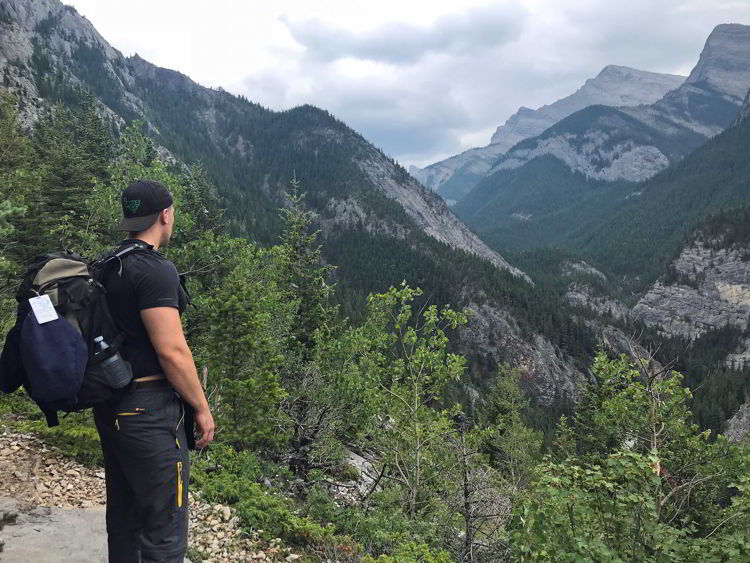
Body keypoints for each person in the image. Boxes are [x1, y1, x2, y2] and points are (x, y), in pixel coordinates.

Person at [93, 179, 215, 563]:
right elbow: (173, 351)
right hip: (149, 412)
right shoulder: (154, 271)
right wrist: (201, 406)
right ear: (165, 215)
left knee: (125, 518)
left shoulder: (107, 267)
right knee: (164, 527)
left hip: (113, 407)